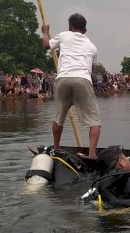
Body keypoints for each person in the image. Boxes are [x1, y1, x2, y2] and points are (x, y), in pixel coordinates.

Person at [41, 13, 102, 158]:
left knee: (58, 118)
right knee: (95, 122)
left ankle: (56, 148)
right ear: (85, 30)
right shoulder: (92, 47)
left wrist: (44, 31)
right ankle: (92, 154)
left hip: (63, 79)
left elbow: (45, 44)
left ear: (70, 27)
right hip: (82, 79)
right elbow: (92, 71)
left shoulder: (64, 35)